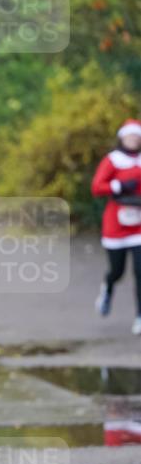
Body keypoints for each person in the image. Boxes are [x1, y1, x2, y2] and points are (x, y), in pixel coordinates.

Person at [91, 119, 141, 335]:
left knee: (140, 271)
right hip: (116, 223)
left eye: (137, 137)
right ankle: (108, 287)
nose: (133, 140)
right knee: (118, 271)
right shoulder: (113, 160)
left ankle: (139, 316)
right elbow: (97, 187)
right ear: (122, 138)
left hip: (139, 224)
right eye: (130, 136)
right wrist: (119, 185)